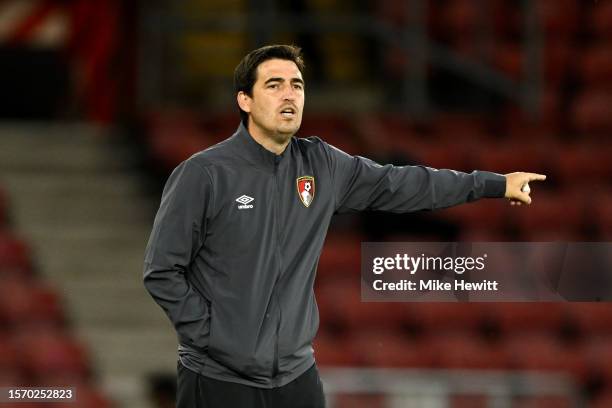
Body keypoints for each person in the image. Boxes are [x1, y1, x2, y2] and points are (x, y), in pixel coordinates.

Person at [143, 44, 546, 408]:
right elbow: (162, 271)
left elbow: (404, 182)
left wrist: (493, 184)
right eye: (274, 85)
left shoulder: (323, 165)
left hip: (295, 378)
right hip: (218, 380)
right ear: (244, 100)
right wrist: (215, 336)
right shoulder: (203, 174)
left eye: (297, 86)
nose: (289, 95)